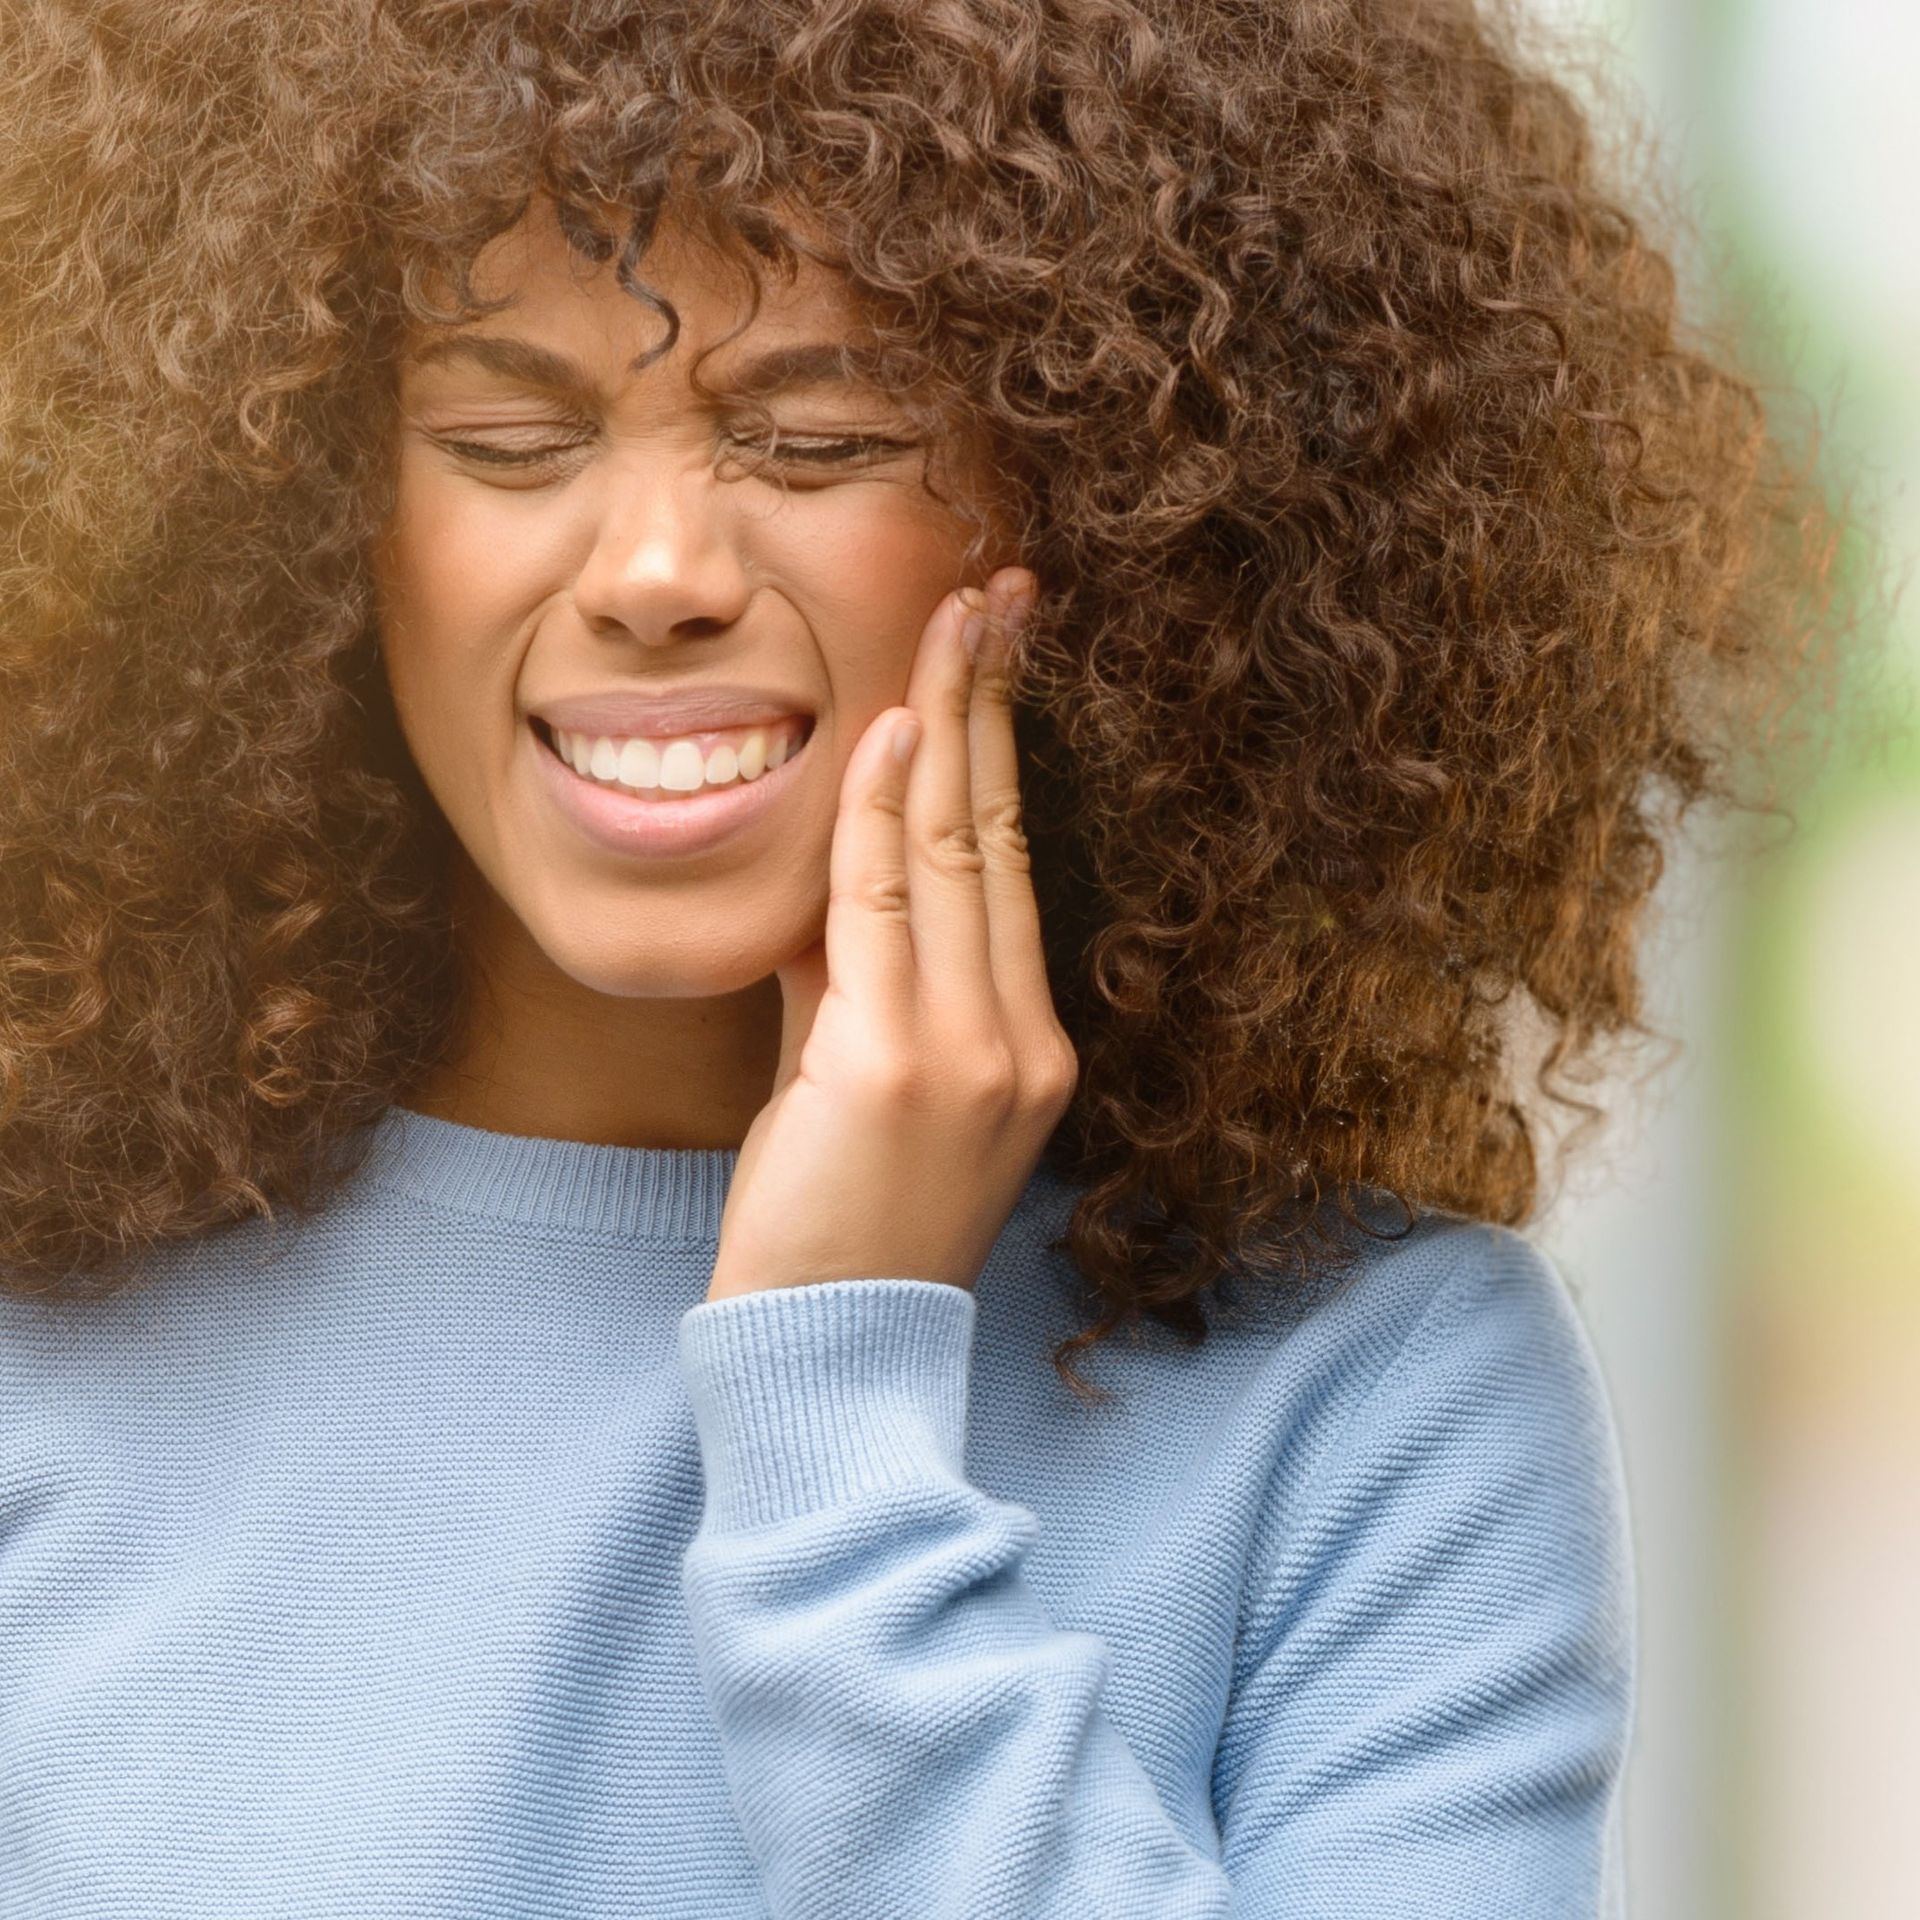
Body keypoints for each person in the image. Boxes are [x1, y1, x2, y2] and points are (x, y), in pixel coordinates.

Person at [0, 1, 1839, 1914]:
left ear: (1126, 503)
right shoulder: (42, 1346)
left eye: (815, 438)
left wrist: (836, 1435)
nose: (653, 573)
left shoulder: (1374, 1401)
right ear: (302, 515)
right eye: (508, 436)